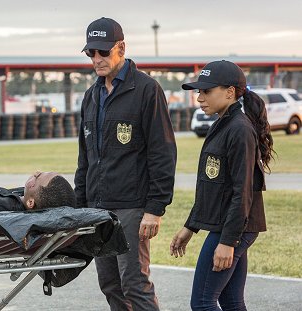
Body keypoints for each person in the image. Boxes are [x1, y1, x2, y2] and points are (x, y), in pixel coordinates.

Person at [74, 17, 177, 310]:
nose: (97, 59)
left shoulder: (147, 89)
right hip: (97, 207)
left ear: (121, 47)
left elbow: (163, 152)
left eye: (103, 52)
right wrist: (80, 207)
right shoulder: (91, 96)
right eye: (91, 53)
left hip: (132, 206)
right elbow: (85, 158)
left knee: (134, 284)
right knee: (110, 285)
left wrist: (155, 209)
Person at [170, 60, 274, 311]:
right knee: (231, 301)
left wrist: (228, 242)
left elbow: (243, 192)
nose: (199, 98)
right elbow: (212, 186)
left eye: (206, 91)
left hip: (234, 227)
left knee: (203, 303)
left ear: (229, 92)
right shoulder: (222, 123)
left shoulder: (239, 129)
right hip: (231, 224)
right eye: (198, 92)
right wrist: (190, 227)